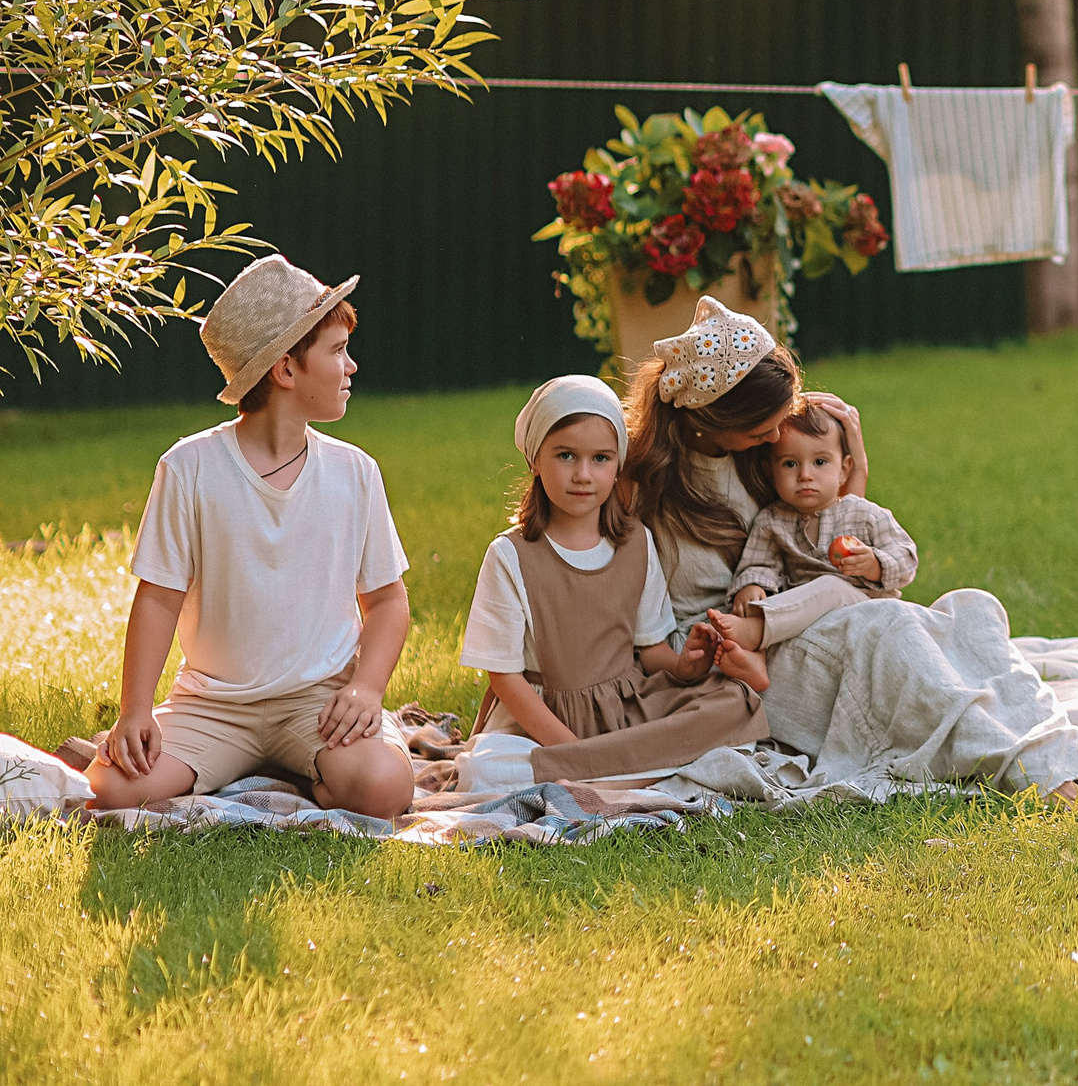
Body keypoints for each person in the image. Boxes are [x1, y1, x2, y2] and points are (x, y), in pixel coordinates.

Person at [619, 296, 1078, 803]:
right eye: (761, 429)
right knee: (899, 633)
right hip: (734, 650)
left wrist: (853, 473)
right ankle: (1032, 767)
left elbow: (818, 544)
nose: (777, 437)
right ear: (709, 417)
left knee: (969, 613)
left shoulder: (756, 457)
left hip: (812, 614)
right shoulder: (642, 488)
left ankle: (1068, 752)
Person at [85, 255, 416, 818]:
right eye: (337, 351)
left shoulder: (355, 472)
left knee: (385, 788)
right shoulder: (189, 467)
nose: (352, 366)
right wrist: (136, 709)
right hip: (214, 707)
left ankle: (304, 764)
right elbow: (158, 598)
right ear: (286, 370)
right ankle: (275, 766)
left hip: (319, 703)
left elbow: (387, 603)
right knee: (109, 790)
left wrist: (365, 690)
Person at [456, 376, 767, 785]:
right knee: (481, 770)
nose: (584, 474)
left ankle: (603, 770)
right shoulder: (511, 555)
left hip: (625, 709)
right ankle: (617, 771)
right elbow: (505, 679)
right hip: (540, 723)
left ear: (618, 463)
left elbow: (650, 650)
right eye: (566, 456)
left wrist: (684, 666)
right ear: (534, 460)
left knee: (733, 703)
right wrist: (571, 752)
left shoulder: (636, 541)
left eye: (601, 459)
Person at [703, 403, 920, 692]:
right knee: (772, 605)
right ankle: (756, 661)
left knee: (832, 586)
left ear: (844, 470)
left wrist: (875, 564)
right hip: (808, 622)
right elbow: (759, 562)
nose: (805, 475)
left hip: (864, 610)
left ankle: (756, 631)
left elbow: (906, 557)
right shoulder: (773, 520)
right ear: (771, 471)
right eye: (790, 464)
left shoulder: (865, 514)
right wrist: (753, 585)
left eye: (820, 462)